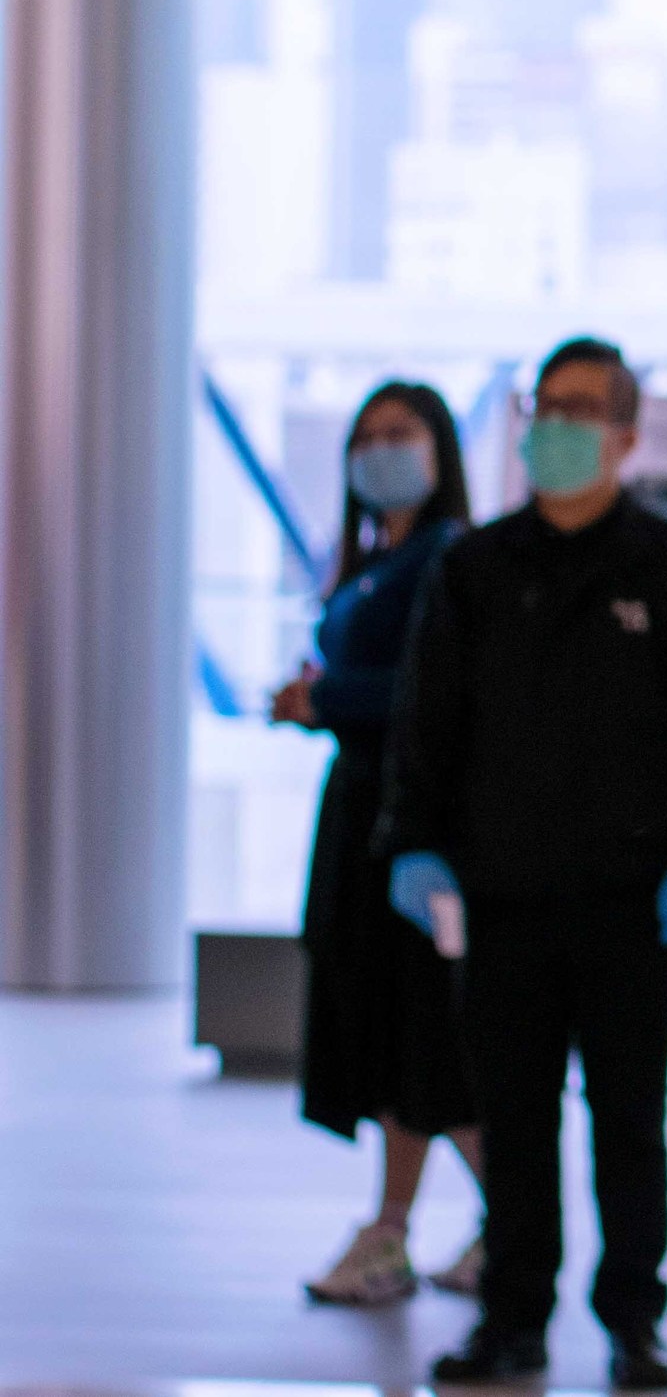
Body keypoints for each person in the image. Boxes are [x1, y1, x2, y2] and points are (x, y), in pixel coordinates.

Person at [381, 337, 667, 1391]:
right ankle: (513, 1318)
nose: (558, 425)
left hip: (637, 907)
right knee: (516, 1120)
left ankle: (634, 1320)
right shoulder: (474, 570)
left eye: (583, 408)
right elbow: (426, 728)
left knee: (630, 1121)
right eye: (547, 406)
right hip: (500, 902)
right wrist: (411, 844)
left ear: (627, 434)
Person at [271, 381, 485, 1306]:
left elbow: (431, 694)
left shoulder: (449, 560)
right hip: (360, 813)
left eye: (401, 434)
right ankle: (423, 1226)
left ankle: (475, 1225)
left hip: (417, 829)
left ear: (440, 450)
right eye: (367, 436)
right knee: (401, 1042)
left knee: (426, 1040)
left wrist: (329, 701)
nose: (380, 451)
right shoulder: (371, 560)